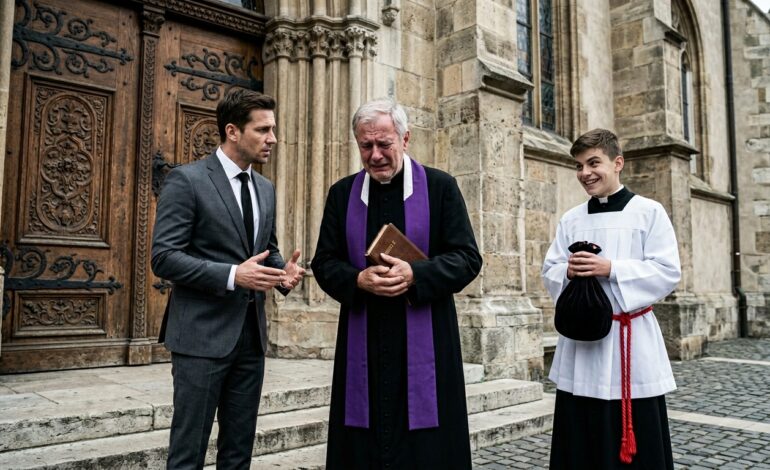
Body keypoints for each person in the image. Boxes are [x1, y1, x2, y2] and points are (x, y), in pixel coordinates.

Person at [311, 98, 482, 469]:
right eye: (365, 145)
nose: (375, 155)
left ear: (405, 139)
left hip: (428, 341)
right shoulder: (342, 194)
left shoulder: (440, 187)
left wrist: (416, 274)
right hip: (364, 340)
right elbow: (323, 262)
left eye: (384, 144)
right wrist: (358, 279)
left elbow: (468, 258)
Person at [151, 88, 305, 469]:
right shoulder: (186, 180)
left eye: (273, 129)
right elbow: (164, 257)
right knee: (187, 454)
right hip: (200, 338)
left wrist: (282, 275)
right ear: (232, 131)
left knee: (238, 454)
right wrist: (235, 275)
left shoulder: (265, 188)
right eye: (263, 129)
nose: (273, 138)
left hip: (251, 339)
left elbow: (267, 248)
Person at [542, 128, 681, 469]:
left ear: (618, 163)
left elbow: (667, 271)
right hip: (582, 344)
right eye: (579, 166)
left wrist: (611, 269)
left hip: (629, 339)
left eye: (594, 163)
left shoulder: (649, 212)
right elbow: (550, 269)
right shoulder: (571, 218)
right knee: (581, 429)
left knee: (634, 429)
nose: (585, 173)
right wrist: (568, 272)